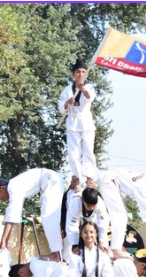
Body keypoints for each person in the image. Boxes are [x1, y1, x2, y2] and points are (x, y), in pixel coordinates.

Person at [0, 168, 64, 261]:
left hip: (51, 180)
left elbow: (12, 213)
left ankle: (56, 255)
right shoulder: (16, 185)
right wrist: (5, 243)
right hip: (51, 180)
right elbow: (11, 215)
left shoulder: (13, 187)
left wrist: (3, 241)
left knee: (49, 217)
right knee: (48, 218)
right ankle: (57, 254)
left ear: (2, 188)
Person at [97, 168, 146, 257]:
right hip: (109, 181)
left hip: (110, 181)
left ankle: (116, 248)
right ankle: (116, 249)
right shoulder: (144, 184)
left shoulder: (144, 179)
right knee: (120, 216)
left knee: (121, 215)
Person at [58, 58, 98, 189]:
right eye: (78, 72)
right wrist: (67, 104)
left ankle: (89, 178)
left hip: (86, 122)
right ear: (73, 74)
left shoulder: (89, 87)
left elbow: (90, 98)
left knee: (88, 151)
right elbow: (60, 107)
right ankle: (76, 177)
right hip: (72, 122)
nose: (81, 74)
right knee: (73, 152)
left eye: (83, 72)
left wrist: (83, 90)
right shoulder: (67, 90)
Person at [65, 187, 110, 256]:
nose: (91, 208)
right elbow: (71, 225)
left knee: (101, 241)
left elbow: (103, 224)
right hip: (74, 212)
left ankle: (105, 256)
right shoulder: (75, 203)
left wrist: (101, 241)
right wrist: (74, 245)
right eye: (88, 206)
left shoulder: (100, 203)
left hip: (92, 216)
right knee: (70, 239)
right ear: (82, 201)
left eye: (93, 206)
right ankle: (66, 259)